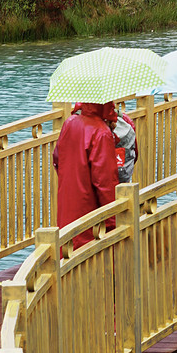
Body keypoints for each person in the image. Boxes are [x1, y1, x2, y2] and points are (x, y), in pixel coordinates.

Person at [53, 102, 122, 250]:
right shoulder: (101, 132)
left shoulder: (69, 123)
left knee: (67, 249)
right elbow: (105, 184)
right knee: (87, 255)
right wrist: (114, 221)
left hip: (68, 204)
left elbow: (57, 158)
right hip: (89, 211)